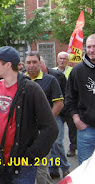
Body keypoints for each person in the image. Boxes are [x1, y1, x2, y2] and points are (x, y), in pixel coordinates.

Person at [0, 46, 58, 183]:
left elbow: (51, 129)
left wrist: (30, 157)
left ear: (7, 65)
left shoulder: (31, 89)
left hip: (21, 167)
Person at [25, 51, 64, 184]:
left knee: (41, 170)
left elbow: (59, 103)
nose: (31, 65)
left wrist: (47, 122)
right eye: (28, 62)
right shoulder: (20, 80)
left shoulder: (50, 80)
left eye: (34, 62)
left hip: (42, 133)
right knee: (25, 168)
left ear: (40, 63)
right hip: (24, 132)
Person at [66, 33, 95, 165]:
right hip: (86, 129)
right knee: (85, 169)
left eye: (94, 46)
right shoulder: (77, 71)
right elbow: (70, 98)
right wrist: (76, 119)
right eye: (89, 46)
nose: (91, 50)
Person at [40, 57, 71, 179]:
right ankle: (53, 169)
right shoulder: (29, 78)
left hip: (56, 115)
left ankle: (65, 167)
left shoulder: (56, 76)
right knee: (48, 144)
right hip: (39, 118)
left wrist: (62, 113)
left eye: (37, 63)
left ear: (42, 64)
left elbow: (66, 94)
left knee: (57, 143)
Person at [54, 51, 77, 157]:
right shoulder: (52, 72)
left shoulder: (73, 71)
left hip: (69, 104)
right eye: (60, 58)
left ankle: (72, 148)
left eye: (65, 59)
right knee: (57, 133)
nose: (62, 61)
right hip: (58, 105)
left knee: (72, 128)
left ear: (68, 61)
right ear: (57, 60)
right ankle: (58, 153)